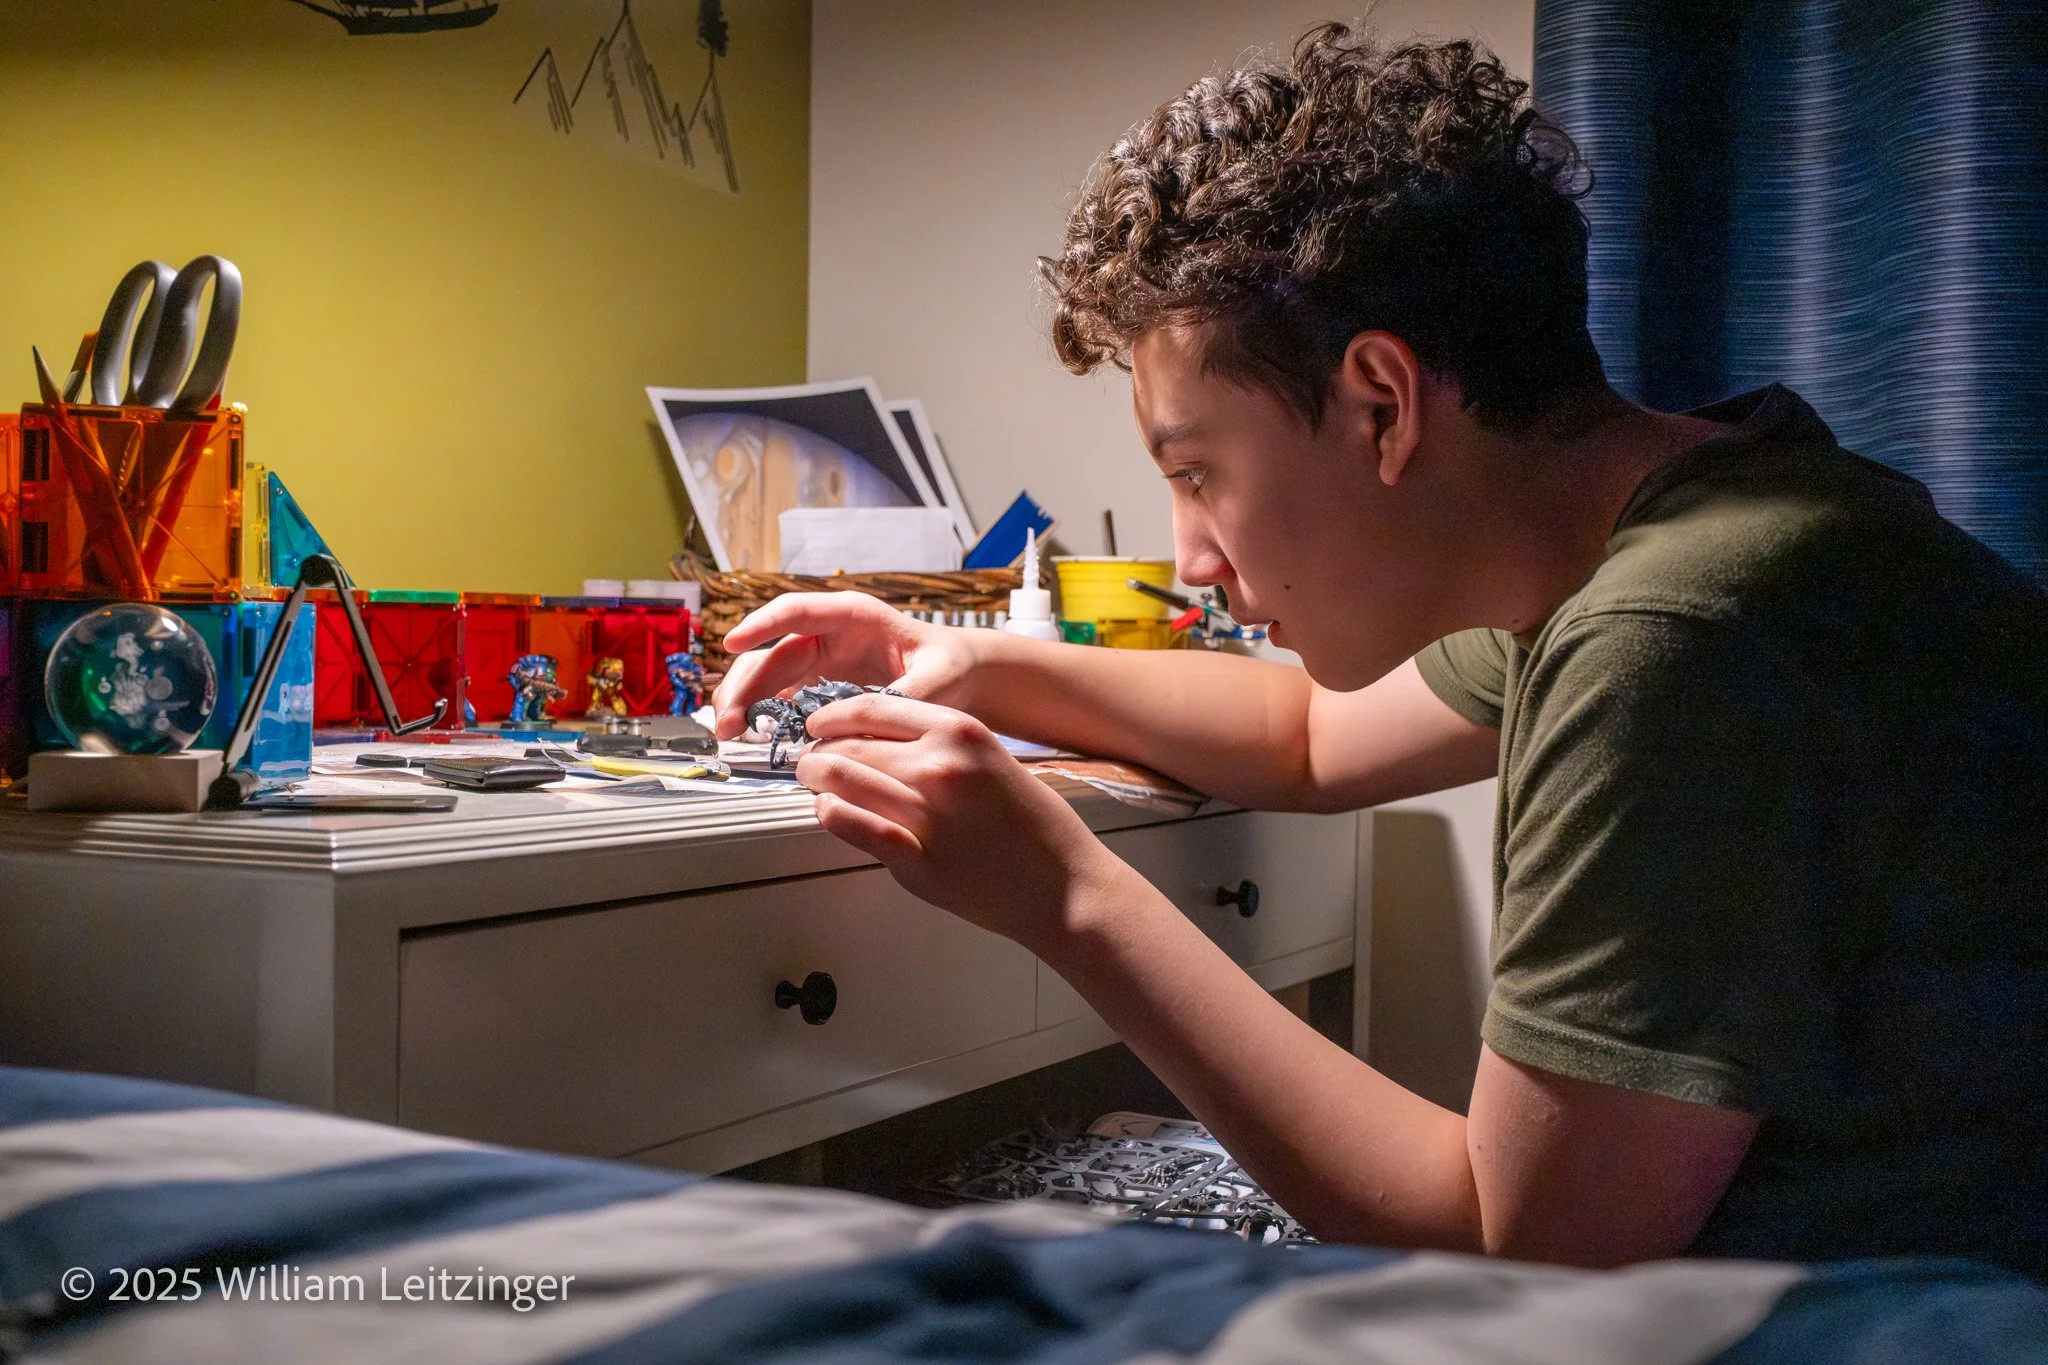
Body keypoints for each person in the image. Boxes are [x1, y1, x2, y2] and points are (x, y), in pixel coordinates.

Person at [714, 25, 2048, 1274]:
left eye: (1199, 475)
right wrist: (959, 661)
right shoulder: (1720, 510)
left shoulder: (1677, 640)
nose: (1193, 560)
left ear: (1380, 403)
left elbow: (1516, 1250)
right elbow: (1313, 736)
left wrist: (1068, 896)